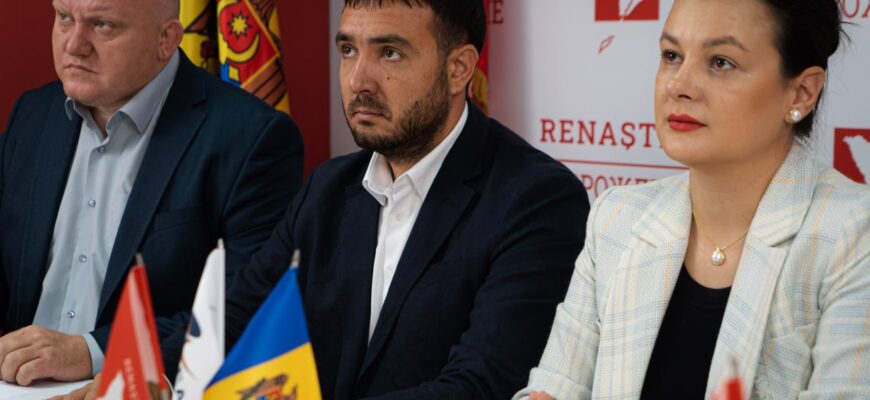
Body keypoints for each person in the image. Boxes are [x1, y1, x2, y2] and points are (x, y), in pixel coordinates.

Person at [212, 1, 589, 399]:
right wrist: (168, 381)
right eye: (348, 50)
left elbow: (482, 385)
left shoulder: (538, 199)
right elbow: (234, 322)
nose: (358, 80)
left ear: (458, 68)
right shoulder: (326, 188)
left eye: (389, 53)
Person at [515, 0, 870, 399]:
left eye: (721, 62)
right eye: (671, 56)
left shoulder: (854, 235)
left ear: (802, 93)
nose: (678, 86)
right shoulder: (618, 217)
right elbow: (553, 388)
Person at [0, 0, 302, 387]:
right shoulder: (33, 114)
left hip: (140, 386)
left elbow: (246, 305)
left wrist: (91, 351)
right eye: (64, 18)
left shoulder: (251, 138)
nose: (74, 45)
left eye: (102, 25)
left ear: (166, 39)